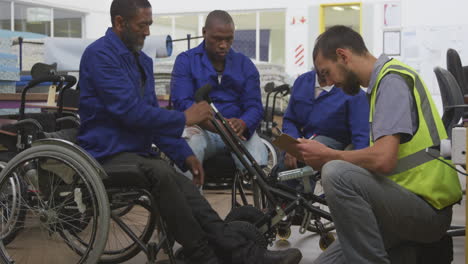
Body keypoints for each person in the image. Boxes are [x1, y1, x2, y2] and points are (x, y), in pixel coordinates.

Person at [78, 0, 302, 263]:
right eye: (143, 25)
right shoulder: (99, 55)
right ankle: (204, 255)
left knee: (183, 184)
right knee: (162, 174)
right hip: (106, 151)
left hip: (137, 152)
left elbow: (153, 120)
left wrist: (185, 155)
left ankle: (243, 253)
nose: (148, 32)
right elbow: (129, 112)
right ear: (119, 23)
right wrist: (185, 117)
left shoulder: (142, 61)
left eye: (149, 24)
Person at [295, 25, 462, 264]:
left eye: (327, 72)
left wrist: (328, 155)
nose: (329, 82)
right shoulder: (380, 85)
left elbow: (384, 159)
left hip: (426, 211)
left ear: (343, 56)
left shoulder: (391, 81)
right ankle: (419, 256)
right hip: (402, 205)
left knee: (335, 172)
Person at [170, 10, 267, 181]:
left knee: (258, 158)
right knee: (189, 147)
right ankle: (191, 205)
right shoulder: (186, 61)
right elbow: (182, 103)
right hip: (202, 128)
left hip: (238, 132)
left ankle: (259, 207)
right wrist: (218, 126)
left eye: (229, 39)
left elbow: (254, 106)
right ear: (204, 33)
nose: (223, 45)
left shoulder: (245, 64)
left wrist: (243, 123)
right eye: (217, 39)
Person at [282, 69, 369, 171]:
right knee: (280, 168)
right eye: (319, 65)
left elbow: (362, 138)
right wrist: (292, 144)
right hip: (301, 144)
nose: (323, 71)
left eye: (328, 67)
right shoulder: (302, 81)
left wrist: (359, 167)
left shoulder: (353, 92)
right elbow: (290, 120)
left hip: (335, 149)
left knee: (317, 146)